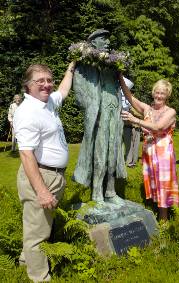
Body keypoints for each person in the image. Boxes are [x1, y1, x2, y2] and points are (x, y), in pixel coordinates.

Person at [13, 61, 75, 282]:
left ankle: (24, 262)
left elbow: (63, 91)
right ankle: (40, 277)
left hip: (53, 174)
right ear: (28, 85)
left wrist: (71, 66)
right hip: (40, 176)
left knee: (38, 225)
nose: (47, 85)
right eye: (40, 81)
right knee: (38, 234)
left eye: (49, 80)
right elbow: (26, 154)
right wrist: (41, 191)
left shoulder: (46, 103)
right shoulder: (28, 112)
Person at [73, 29, 126, 205]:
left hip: (114, 112)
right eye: (104, 39)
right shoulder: (86, 65)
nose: (108, 42)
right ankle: (96, 192)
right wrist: (92, 107)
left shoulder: (114, 66)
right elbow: (80, 91)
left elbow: (121, 90)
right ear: (93, 42)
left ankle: (110, 190)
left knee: (114, 153)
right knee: (100, 152)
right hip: (100, 113)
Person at [119, 76, 179, 221]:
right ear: (153, 93)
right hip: (149, 153)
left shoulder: (170, 112)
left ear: (167, 95)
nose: (159, 96)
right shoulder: (147, 109)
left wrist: (136, 120)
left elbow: (159, 127)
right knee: (154, 182)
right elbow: (129, 97)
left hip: (163, 154)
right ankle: (155, 211)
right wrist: (120, 77)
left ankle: (164, 219)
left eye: (162, 93)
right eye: (157, 92)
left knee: (163, 184)